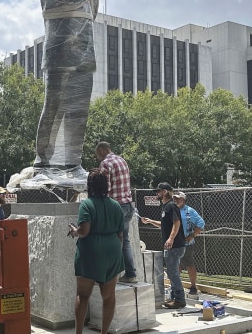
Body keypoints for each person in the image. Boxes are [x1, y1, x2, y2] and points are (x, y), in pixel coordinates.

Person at [34, 0, 99, 169]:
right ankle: (43, 162)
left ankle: (73, 162)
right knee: (54, 106)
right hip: (59, 50)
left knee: (79, 112)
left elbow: (92, 11)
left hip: (84, 49)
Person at [68, 169, 124, 334]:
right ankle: (104, 333)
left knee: (83, 295)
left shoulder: (86, 204)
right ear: (106, 186)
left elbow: (84, 231)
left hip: (91, 252)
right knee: (109, 296)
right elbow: (121, 234)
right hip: (113, 250)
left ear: (89, 186)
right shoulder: (116, 205)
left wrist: (74, 231)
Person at [95, 141, 137, 283]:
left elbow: (105, 189)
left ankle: (109, 276)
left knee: (110, 240)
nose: (97, 158)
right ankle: (131, 274)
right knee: (124, 241)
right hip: (128, 205)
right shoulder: (121, 160)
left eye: (97, 154)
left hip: (115, 207)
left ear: (101, 150)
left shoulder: (105, 164)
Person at [140, 182, 186, 309]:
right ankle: (173, 297)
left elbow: (176, 223)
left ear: (165, 192)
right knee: (172, 272)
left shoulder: (171, 206)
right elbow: (165, 224)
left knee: (172, 273)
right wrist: (150, 221)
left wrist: (171, 238)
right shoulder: (165, 207)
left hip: (175, 245)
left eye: (158, 191)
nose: (157, 193)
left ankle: (180, 299)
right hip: (172, 245)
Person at [172, 191, 205, 298]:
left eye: (179, 199)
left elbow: (201, 223)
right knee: (175, 265)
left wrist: (192, 235)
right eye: (175, 199)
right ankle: (176, 286)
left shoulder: (189, 211)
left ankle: (193, 286)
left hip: (187, 244)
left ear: (184, 200)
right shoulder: (171, 210)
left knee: (189, 264)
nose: (176, 201)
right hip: (174, 243)